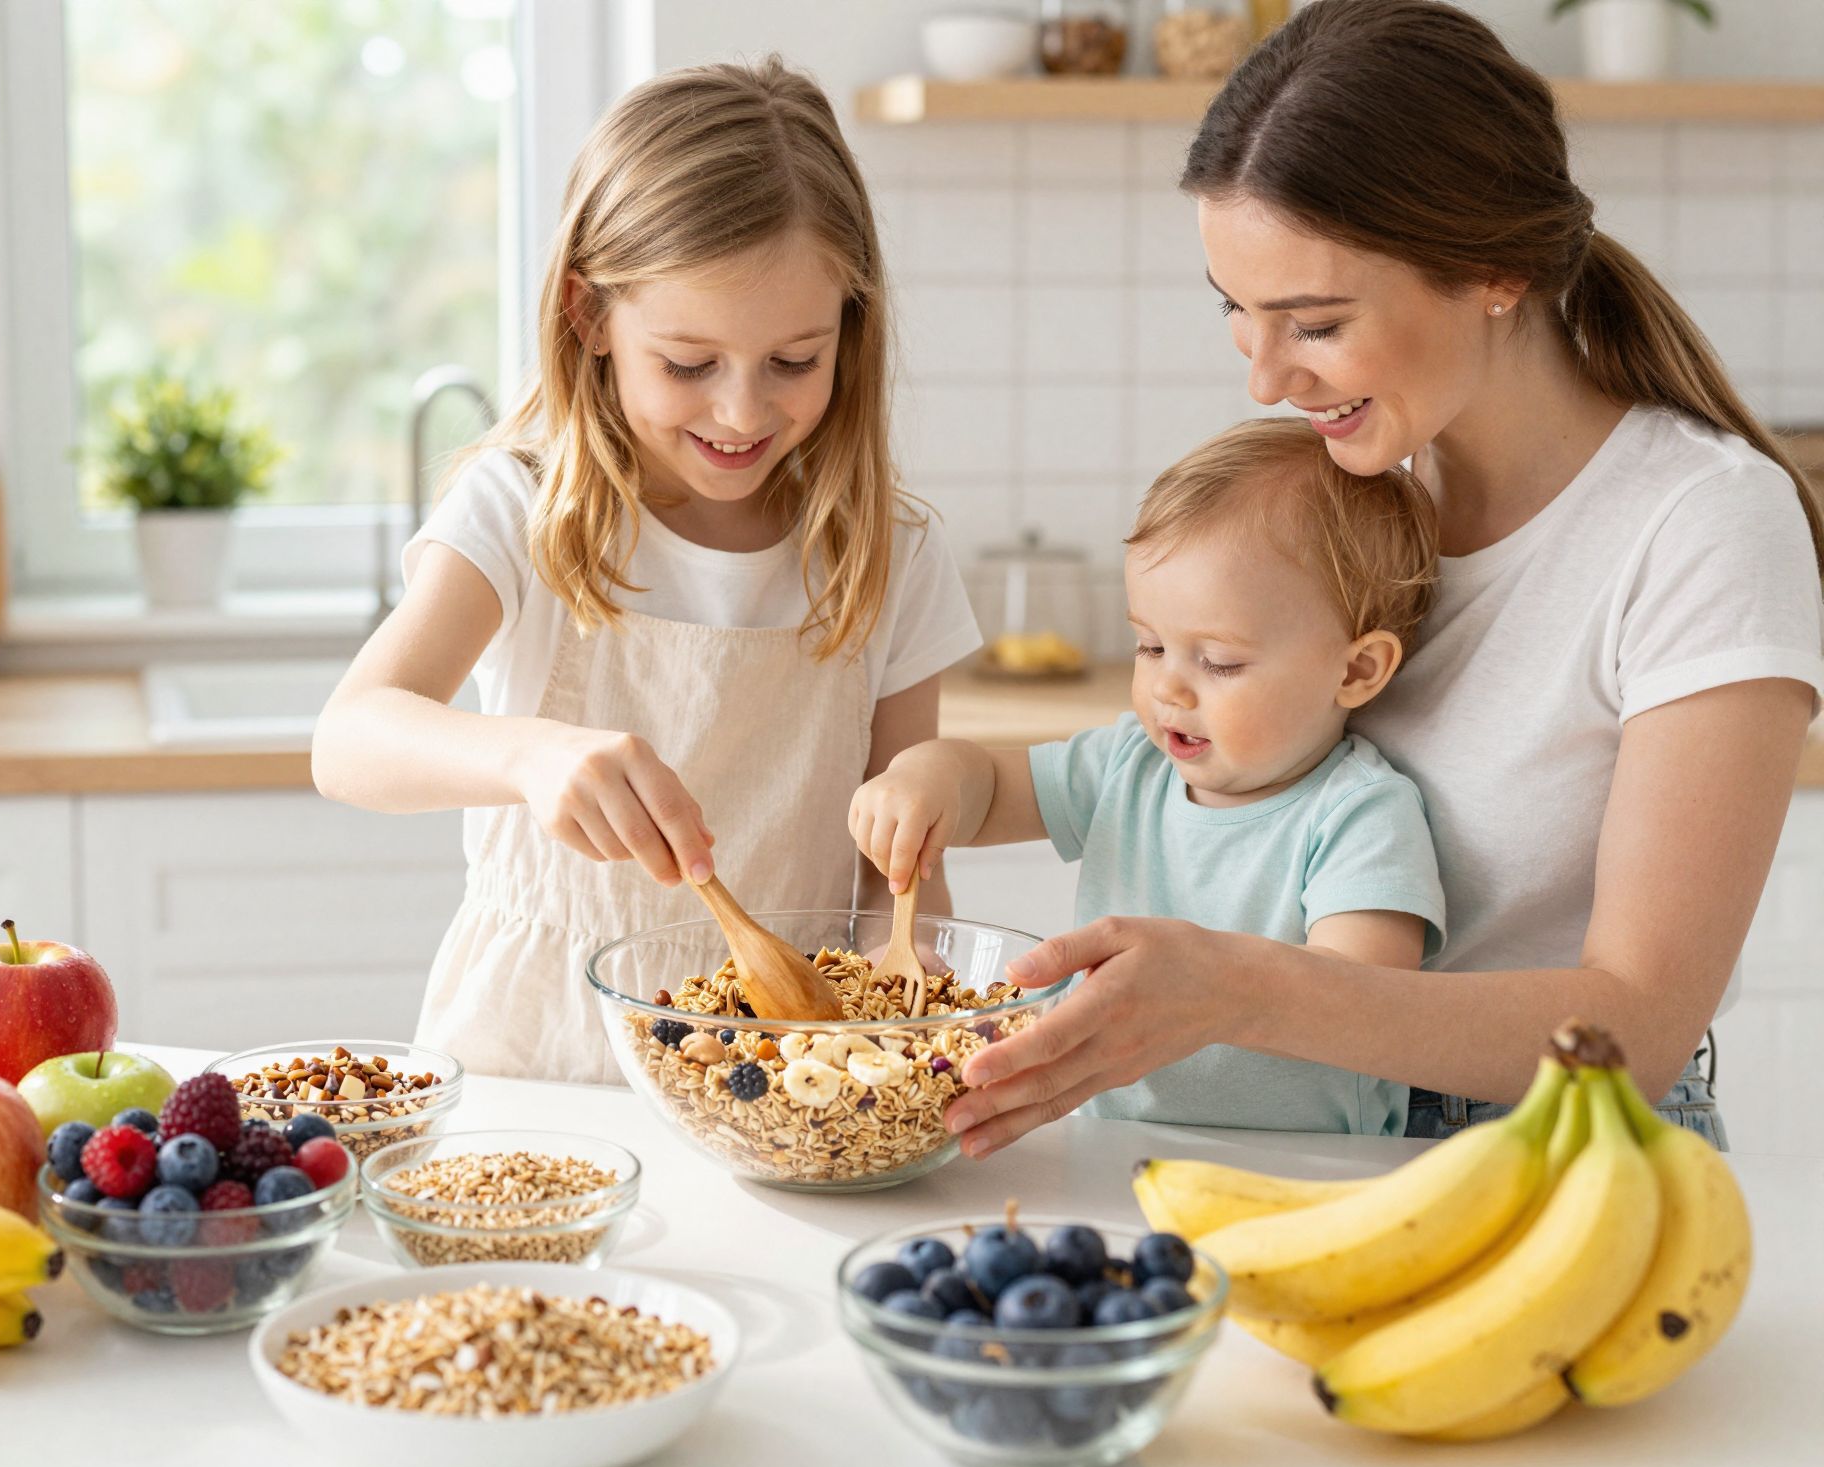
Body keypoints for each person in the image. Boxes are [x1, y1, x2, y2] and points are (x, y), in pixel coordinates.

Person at [944, 0, 1824, 1158]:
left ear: (1493, 269)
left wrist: (1238, 988)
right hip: (1312, 1132)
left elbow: (1641, 1023)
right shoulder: (1348, 494)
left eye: (1312, 323)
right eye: (1237, 314)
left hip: (1560, 1153)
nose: (1264, 380)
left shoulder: (1699, 522)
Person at [311, 59, 981, 1082]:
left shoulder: (888, 557)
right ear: (590, 320)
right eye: (687, 363)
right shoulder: (520, 510)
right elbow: (350, 739)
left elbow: (894, 857)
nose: (742, 412)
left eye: (794, 361)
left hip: (779, 1065)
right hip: (531, 1057)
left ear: (850, 326)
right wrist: (528, 758)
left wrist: (914, 954)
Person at [852, 418, 1444, 1135]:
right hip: (1107, 1144)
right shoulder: (1130, 764)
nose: (1169, 688)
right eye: (1150, 646)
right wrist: (927, 776)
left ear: (1356, 669)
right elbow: (990, 788)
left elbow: (1361, 1004)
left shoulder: (1360, 815)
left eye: (1218, 661)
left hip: (1305, 1175)